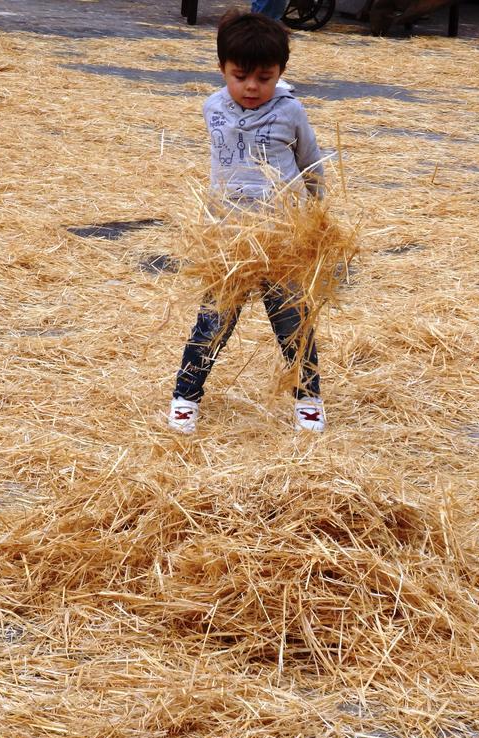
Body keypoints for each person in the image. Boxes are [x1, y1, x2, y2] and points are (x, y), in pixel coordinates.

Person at [168, 11, 326, 435]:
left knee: (293, 320)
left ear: (280, 73)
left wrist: (318, 214)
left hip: (281, 236)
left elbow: (312, 163)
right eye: (240, 76)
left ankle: (307, 397)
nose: (252, 87)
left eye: (264, 76)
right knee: (213, 320)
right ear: (222, 70)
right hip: (230, 238)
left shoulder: (290, 111)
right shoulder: (212, 107)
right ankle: (186, 396)